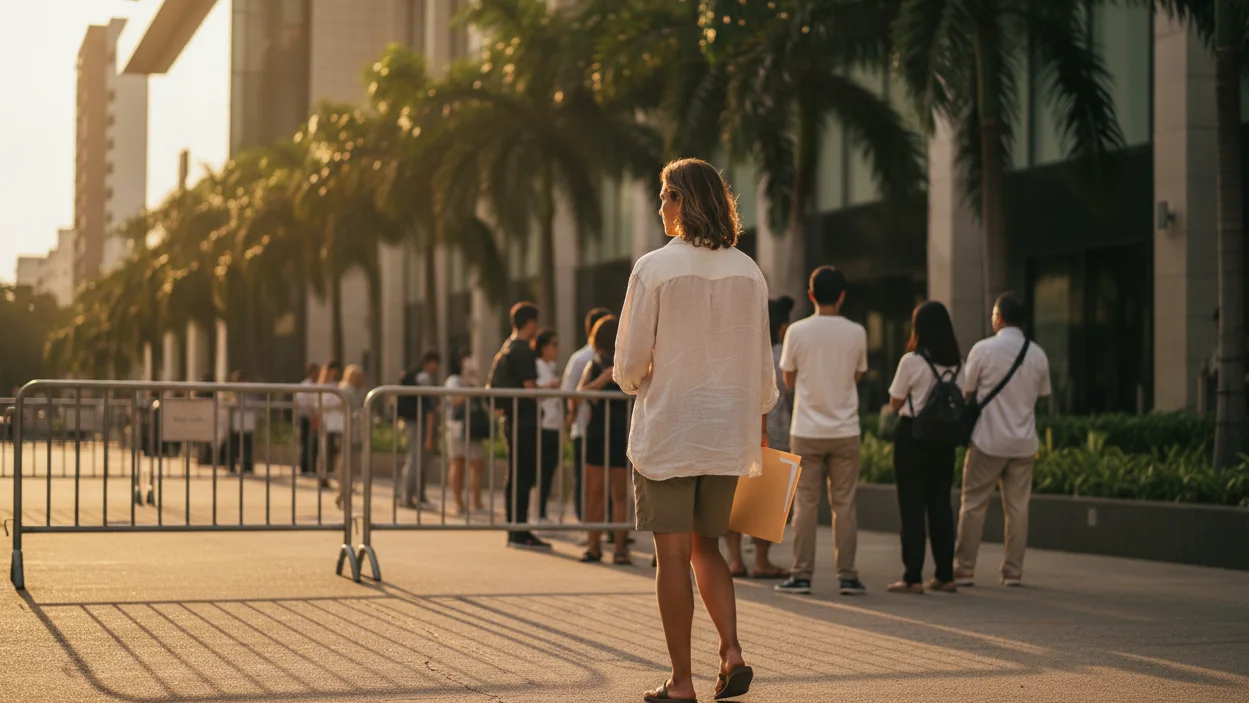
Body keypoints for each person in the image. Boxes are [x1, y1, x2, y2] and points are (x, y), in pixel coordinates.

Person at [616, 158, 773, 703]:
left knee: (672, 556)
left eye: (666, 195)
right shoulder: (749, 270)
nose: (660, 206)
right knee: (711, 550)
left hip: (671, 429)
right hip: (726, 431)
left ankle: (681, 682)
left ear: (685, 201)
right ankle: (730, 651)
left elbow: (630, 364)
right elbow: (761, 366)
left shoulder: (653, 268)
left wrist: (639, 379)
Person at [775, 266, 869, 597]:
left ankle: (801, 575)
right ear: (842, 296)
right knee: (844, 504)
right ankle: (848, 576)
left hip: (806, 429)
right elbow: (857, 375)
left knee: (805, 504)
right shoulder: (857, 332)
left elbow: (787, 381)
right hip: (845, 430)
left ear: (811, 295)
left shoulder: (797, 332)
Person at [955, 293, 1051, 588]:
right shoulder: (1037, 353)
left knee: (973, 504)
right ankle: (1012, 572)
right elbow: (1043, 396)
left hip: (988, 441)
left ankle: (965, 569)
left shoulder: (982, 350)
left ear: (998, 318)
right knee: (1018, 509)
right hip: (1023, 444)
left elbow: (966, 393)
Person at [885, 301, 964, 594]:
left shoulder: (911, 361)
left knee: (912, 506)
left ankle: (912, 577)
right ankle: (945, 575)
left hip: (912, 437)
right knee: (941, 504)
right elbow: (962, 397)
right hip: (945, 440)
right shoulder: (958, 362)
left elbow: (895, 401)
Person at [726, 295, 795, 580]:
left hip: (736, 429)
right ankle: (762, 561)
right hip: (774, 430)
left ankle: (735, 561)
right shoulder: (778, 354)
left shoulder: (738, 349)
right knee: (768, 497)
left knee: (734, 495)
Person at [487, 302, 550, 551]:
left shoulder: (507, 347)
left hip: (512, 418)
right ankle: (520, 531)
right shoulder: (523, 350)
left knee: (515, 475)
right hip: (523, 420)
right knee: (522, 476)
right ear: (530, 323)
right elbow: (530, 389)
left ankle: (516, 529)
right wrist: (551, 390)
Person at [577, 316, 631, 564]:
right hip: (622, 430)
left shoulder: (595, 364)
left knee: (595, 493)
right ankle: (620, 549)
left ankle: (594, 546)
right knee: (620, 495)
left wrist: (600, 382)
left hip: (599, 430)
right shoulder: (627, 365)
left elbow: (578, 394)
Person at [563, 307, 612, 520]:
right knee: (589, 484)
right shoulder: (584, 358)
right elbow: (572, 393)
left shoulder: (619, 360)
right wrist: (572, 417)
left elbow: (569, 392)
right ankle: (588, 525)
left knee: (596, 486)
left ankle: (604, 529)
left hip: (594, 428)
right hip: (586, 428)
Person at [445, 353, 487, 515]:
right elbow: (454, 400)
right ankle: (459, 503)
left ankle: (477, 503)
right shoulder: (454, 381)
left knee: (477, 464)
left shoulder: (474, 383)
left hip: (474, 428)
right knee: (458, 463)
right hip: (457, 427)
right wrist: (470, 390)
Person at [399, 352, 439, 509]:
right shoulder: (424, 378)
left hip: (414, 422)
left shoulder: (418, 377)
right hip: (418, 423)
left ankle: (416, 494)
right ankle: (408, 496)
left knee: (418, 459)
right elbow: (428, 407)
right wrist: (429, 435)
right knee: (415, 459)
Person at [533, 329, 563, 522]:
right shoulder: (535, 365)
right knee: (541, 470)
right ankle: (538, 512)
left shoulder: (552, 366)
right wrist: (549, 387)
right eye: (553, 344)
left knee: (550, 469)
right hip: (541, 424)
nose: (556, 349)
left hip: (555, 424)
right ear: (543, 347)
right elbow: (533, 389)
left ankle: (542, 510)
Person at [334, 364, 368, 509]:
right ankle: (343, 491)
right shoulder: (346, 389)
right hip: (346, 429)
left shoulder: (355, 390)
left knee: (350, 462)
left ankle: (345, 490)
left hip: (354, 431)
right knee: (345, 462)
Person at [317, 361, 344, 490]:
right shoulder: (323, 386)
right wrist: (334, 406)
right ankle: (323, 477)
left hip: (339, 423)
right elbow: (318, 405)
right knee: (326, 451)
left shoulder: (337, 385)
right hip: (329, 423)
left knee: (336, 452)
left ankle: (335, 477)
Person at [224, 370, 256, 475]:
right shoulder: (230, 392)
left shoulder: (250, 391)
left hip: (246, 423)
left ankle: (247, 466)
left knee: (247, 445)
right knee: (234, 445)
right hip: (234, 423)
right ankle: (232, 466)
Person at [295, 363, 321, 475]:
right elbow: (300, 401)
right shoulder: (304, 385)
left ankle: (313, 467)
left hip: (317, 418)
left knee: (315, 444)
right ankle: (305, 467)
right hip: (306, 418)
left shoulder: (320, 384)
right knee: (305, 443)